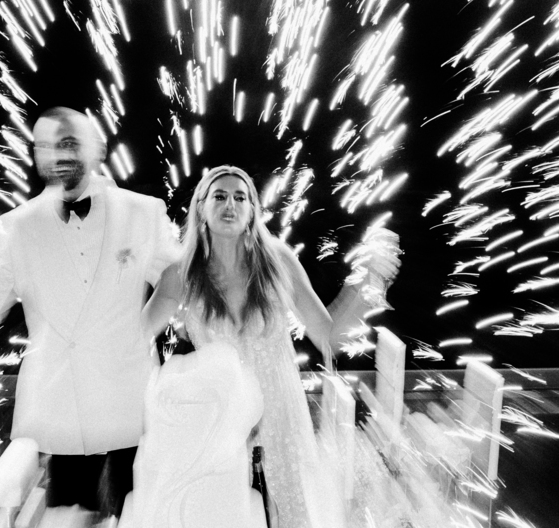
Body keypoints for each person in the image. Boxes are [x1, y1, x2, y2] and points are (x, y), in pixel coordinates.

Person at [0, 107, 180, 518]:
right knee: (67, 518)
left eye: (68, 142)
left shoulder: (144, 211)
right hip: (58, 416)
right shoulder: (15, 227)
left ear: (96, 148)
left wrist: (143, 331)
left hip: (129, 406)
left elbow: (178, 277)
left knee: (140, 516)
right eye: (45, 146)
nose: (57, 155)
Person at [137, 165, 400, 528]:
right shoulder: (181, 274)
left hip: (282, 418)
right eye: (219, 196)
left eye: (240, 197)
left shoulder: (278, 261)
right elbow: (134, 339)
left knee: (292, 515)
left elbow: (328, 337)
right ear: (201, 208)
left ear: (252, 210)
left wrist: (368, 283)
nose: (230, 204)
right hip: (220, 425)